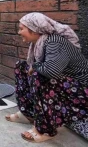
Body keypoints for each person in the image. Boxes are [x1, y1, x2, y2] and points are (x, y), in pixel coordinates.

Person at [5, 12, 88, 142]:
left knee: (39, 74)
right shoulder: (39, 43)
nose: (19, 32)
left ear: (34, 30)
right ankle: (28, 113)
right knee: (21, 66)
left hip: (82, 91)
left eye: (22, 29)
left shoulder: (55, 41)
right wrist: (35, 66)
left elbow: (51, 71)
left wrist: (36, 66)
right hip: (68, 85)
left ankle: (46, 129)